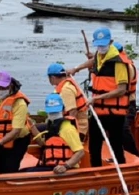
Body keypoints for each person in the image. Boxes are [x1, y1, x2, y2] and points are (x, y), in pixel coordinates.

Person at [68, 27, 131, 166]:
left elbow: (121, 90)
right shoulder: (99, 55)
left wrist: (96, 98)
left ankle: (121, 167)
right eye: (99, 45)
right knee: (93, 144)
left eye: (104, 44)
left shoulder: (118, 62)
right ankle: (95, 170)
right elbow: (92, 61)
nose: (101, 48)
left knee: (115, 144)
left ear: (111, 42)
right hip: (98, 111)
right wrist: (76, 68)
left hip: (115, 113)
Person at [25, 94, 85, 173]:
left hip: (65, 168)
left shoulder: (68, 129)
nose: (53, 114)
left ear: (63, 111)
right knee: (22, 172)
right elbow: (43, 144)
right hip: (50, 166)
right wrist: (32, 126)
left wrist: (65, 166)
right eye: (51, 111)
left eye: (56, 111)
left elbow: (80, 152)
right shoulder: (52, 126)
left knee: (26, 173)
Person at [0, 71, 31, 174]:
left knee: (10, 168)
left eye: (3, 88)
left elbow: (16, 131)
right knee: (0, 167)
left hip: (17, 140)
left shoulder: (19, 103)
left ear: (9, 86)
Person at [46, 62, 88, 137]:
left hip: (77, 128)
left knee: (41, 130)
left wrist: (65, 130)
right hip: (71, 124)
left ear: (52, 78)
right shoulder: (65, 85)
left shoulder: (66, 89)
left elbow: (72, 113)